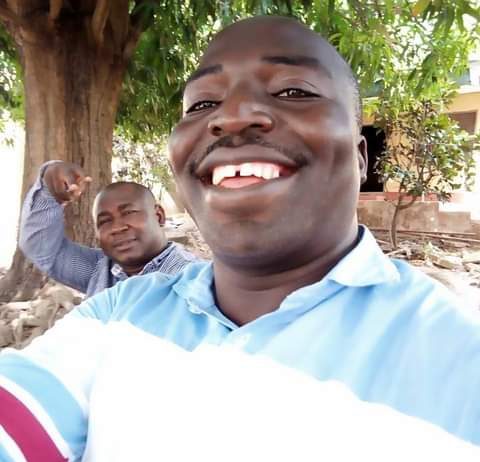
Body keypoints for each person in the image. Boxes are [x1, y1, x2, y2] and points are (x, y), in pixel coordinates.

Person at [1, 16, 480, 460]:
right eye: (202, 104)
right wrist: (47, 183)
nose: (231, 116)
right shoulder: (115, 312)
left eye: (293, 90)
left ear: (359, 158)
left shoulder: (456, 354)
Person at [19, 161, 198, 296]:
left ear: (159, 216)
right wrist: (51, 187)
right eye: (104, 221)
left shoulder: (194, 279)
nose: (117, 228)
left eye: (128, 213)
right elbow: (39, 247)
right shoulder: (98, 269)